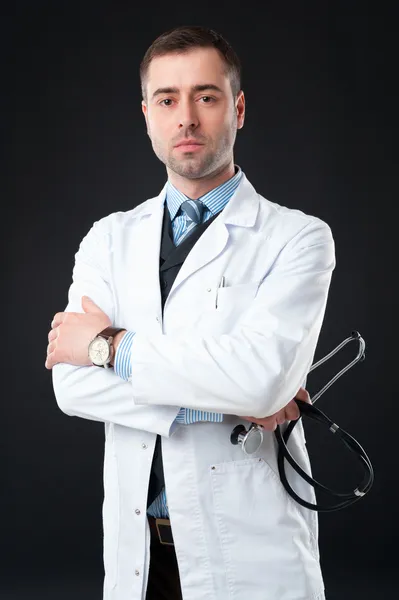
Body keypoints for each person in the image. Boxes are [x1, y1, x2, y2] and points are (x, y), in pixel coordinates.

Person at [46, 25, 335, 600]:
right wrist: (224, 402)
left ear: (239, 108)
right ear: (147, 113)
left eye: (206, 96)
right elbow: (73, 388)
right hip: (139, 557)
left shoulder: (298, 238)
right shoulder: (108, 239)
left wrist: (109, 347)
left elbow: (259, 379)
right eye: (167, 99)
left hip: (251, 555)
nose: (187, 118)